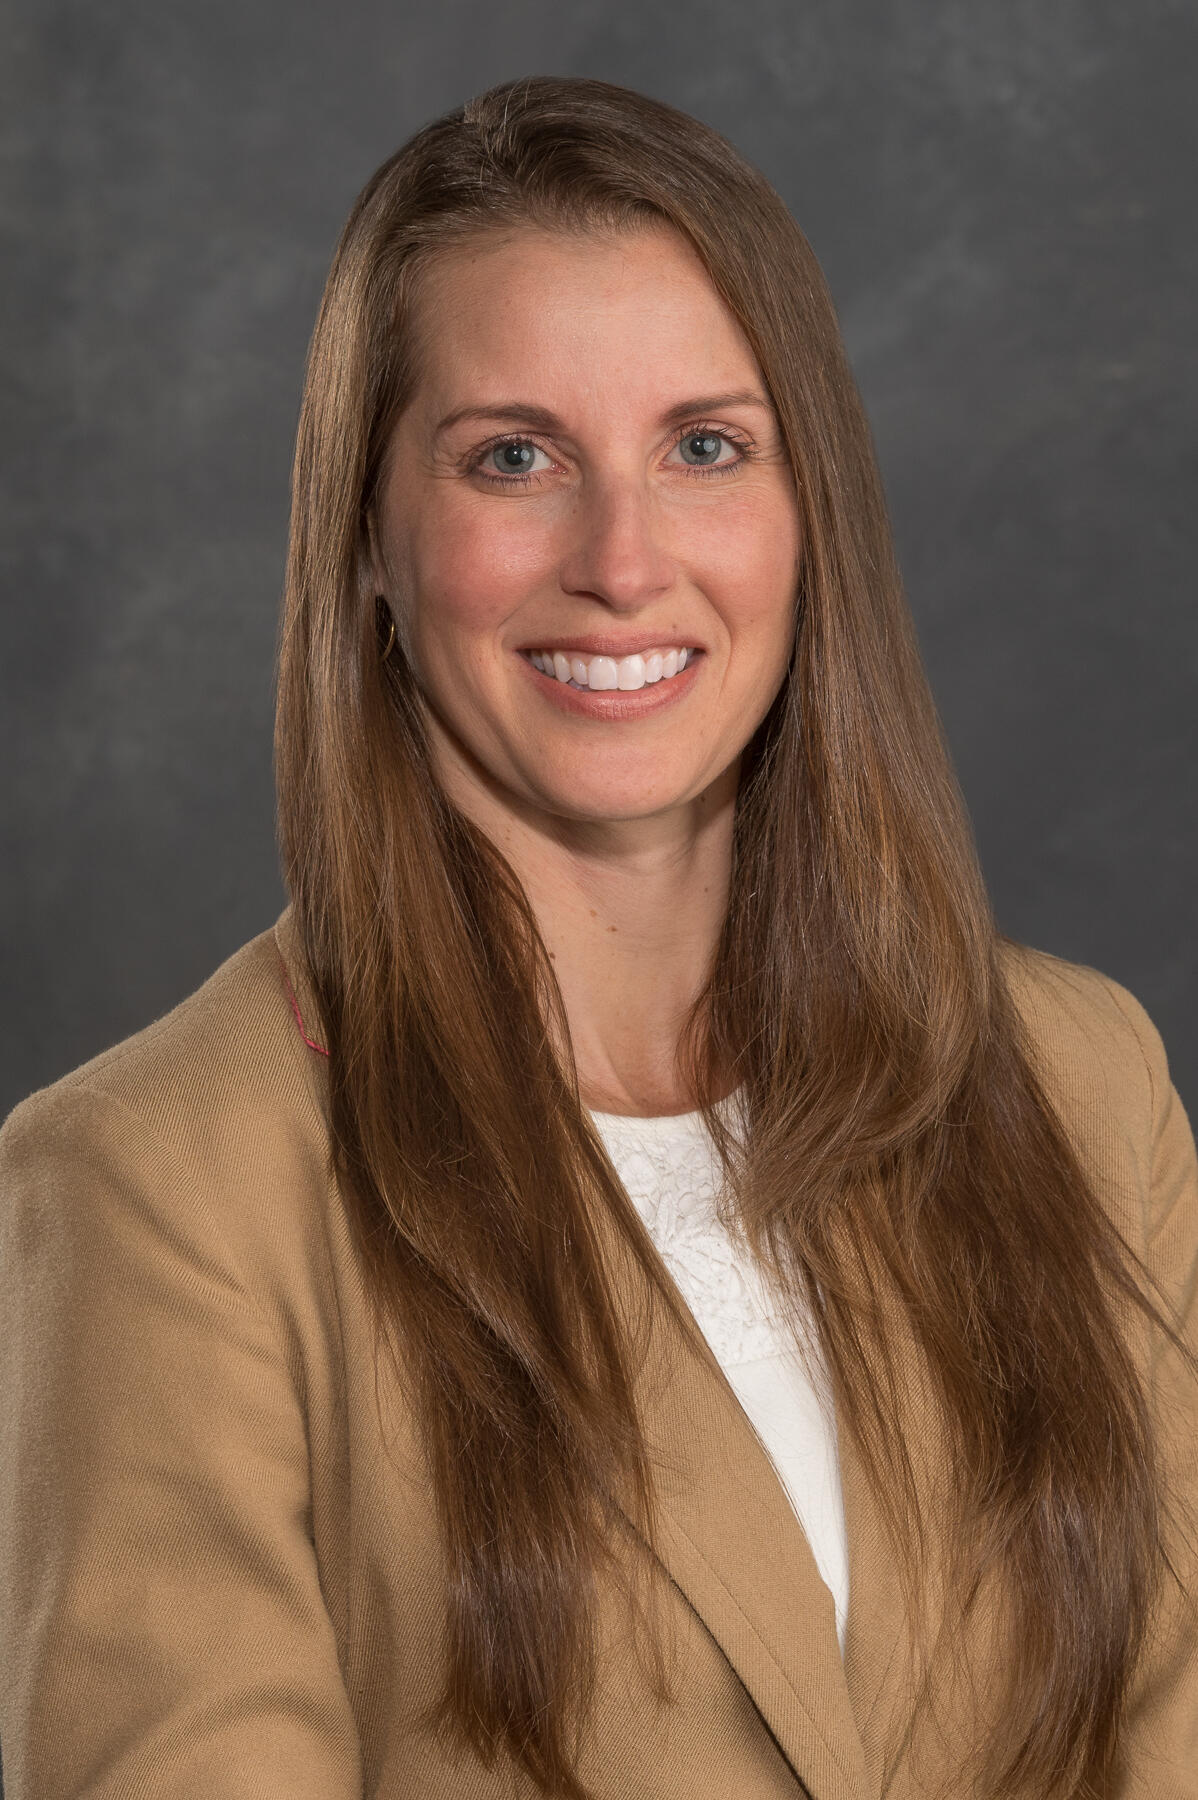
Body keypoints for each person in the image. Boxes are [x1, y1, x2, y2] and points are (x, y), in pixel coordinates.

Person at [0, 73, 1194, 1800]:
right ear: (371, 540)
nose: (624, 561)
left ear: (810, 517)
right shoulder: (149, 1189)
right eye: (513, 458)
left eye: (704, 446)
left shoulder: (1083, 1086)